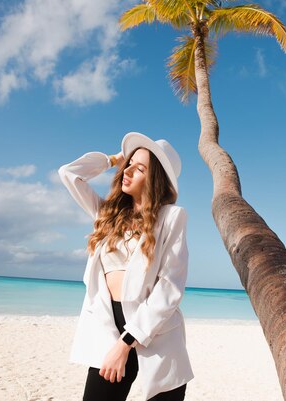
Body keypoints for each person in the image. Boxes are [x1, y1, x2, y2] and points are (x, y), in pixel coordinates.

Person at [58, 132, 194, 401]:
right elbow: (69, 174)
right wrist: (114, 159)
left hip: (156, 334)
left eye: (139, 168)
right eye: (128, 164)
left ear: (155, 180)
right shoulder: (106, 214)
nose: (128, 170)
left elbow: (169, 287)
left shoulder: (171, 218)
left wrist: (125, 343)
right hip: (109, 327)